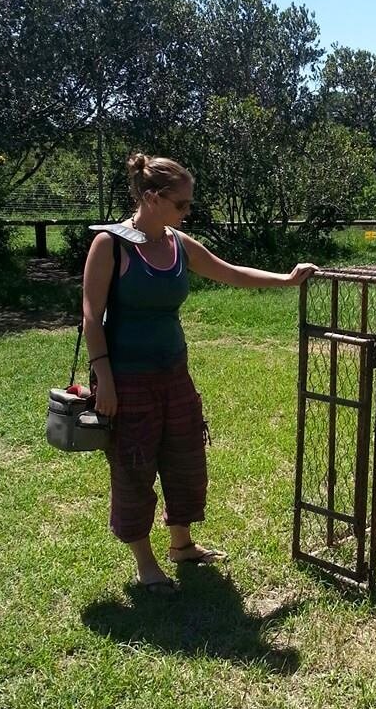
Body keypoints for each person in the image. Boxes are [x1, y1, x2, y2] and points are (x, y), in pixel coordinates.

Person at [83, 153, 317, 595]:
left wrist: (285, 280)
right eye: (182, 204)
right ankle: (146, 564)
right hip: (126, 379)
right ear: (151, 197)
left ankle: (182, 545)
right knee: (134, 467)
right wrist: (105, 380)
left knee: (186, 458)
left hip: (175, 374)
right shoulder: (110, 245)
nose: (188, 211)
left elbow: (229, 273)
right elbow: (92, 316)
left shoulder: (177, 242)